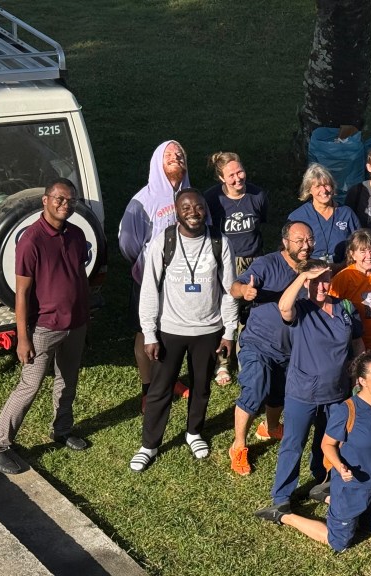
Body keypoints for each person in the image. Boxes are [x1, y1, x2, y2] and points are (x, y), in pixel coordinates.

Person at [255, 353, 371, 553]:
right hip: (352, 486)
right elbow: (327, 444)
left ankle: (328, 496)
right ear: (362, 381)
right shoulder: (347, 410)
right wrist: (339, 466)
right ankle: (284, 515)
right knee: (339, 543)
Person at [0, 179, 92, 475]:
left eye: (70, 200)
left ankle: (62, 430)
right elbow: (22, 293)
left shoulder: (77, 234)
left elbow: (78, 277)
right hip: (44, 327)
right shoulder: (31, 240)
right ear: (45, 200)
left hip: (76, 323)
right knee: (29, 386)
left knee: (67, 380)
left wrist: (85, 315)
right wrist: (23, 337)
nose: (65, 205)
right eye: (59, 199)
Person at [129, 188, 238, 472]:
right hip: (170, 330)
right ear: (176, 211)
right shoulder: (163, 241)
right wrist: (150, 333)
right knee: (159, 389)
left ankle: (194, 433)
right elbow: (149, 289)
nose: (193, 212)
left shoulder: (219, 242)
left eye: (198, 207)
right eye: (186, 207)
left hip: (209, 329)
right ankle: (149, 445)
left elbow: (230, 290)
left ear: (206, 210)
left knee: (201, 387)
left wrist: (229, 331)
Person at [267, 259, 365, 509]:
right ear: (305, 283)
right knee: (293, 444)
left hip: (337, 392)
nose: (321, 286)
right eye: (315, 281)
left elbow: (357, 342)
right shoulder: (301, 308)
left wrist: (360, 374)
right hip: (303, 393)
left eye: (325, 280)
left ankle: (322, 482)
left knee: (329, 441)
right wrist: (303, 276)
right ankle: (281, 497)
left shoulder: (345, 307)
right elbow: (283, 307)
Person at [225, 221, 312, 476]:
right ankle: (238, 446)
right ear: (285, 242)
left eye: (309, 240)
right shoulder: (268, 264)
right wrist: (245, 291)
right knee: (255, 388)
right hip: (259, 343)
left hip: (291, 348)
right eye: (299, 241)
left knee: (279, 392)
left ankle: (270, 427)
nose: (306, 246)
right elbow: (235, 287)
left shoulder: (312, 269)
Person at [119, 140, 191, 405]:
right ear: (157, 162)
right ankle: (148, 388)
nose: (176, 157)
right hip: (149, 280)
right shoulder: (143, 201)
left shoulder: (191, 197)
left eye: (180, 154)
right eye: (168, 154)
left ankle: (171, 379)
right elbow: (128, 243)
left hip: (181, 280)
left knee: (175, 331)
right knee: (145, 331)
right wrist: (145, 264)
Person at [203, 151, 268, 386]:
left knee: (251, 311)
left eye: (240, 172)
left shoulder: (257, 195)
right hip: (226, 260)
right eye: (231, 175)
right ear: (221, 178)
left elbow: (262, 224)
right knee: (225, 309)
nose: (237, 178)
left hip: (253, 260)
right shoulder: (212, 198)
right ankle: (222, 362)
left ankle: (248, 359)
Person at [288, 163, 361, 266]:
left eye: (326, 185)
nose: (324, 190)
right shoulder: (298, 217)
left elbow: (360, 245)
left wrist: (342, 266)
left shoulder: (346, 213)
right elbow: (289, 252)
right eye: (318, 186)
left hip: (343, 269)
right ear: (309, 190)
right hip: (309, 270)